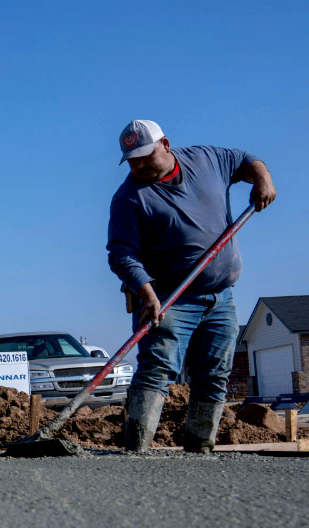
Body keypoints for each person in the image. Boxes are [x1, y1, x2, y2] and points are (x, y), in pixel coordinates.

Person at [107, 120, 276, 452]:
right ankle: (135, 451)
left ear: (165, 145)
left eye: (144, 155)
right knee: (157, 369)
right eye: (132, 160)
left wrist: (263, 179)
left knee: (215, 373)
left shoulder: (207, 159)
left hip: (221, 296)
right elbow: (120, 253)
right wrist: (146, 291)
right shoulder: (129, 199)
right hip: (169, 297)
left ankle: (200, 449)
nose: (138, 165)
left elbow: (246, 159)